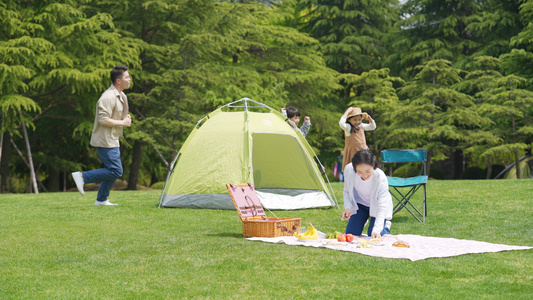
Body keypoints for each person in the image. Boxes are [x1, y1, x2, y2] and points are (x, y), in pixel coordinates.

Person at [71, 65, 132, 206]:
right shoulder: (107, 97)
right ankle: (82, 176)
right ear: (118, 80)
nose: (129, 80)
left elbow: (115, 116)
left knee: (112, 170)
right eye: (127, 77)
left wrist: (124, 119)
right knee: (116, 171)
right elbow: (103, 120)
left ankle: (101, 199)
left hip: (113, 138)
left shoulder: (122, 96)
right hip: (104, 140)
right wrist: (123, 122)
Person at [341, 150, 392, 238]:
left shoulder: (380, 177)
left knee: (373, 234)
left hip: (377, 207)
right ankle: (363, 220)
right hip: (360, 204)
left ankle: (386, 225)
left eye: (368, 171)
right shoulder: (349, 170)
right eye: (359, 172)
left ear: (374, 166)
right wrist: (348, 208)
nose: (364, 175)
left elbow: (382, 206)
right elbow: (346, 191)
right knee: (351, 234)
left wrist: (376, 229)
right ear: (354, 168)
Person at [339, 107, 376, 172]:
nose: (357, 122)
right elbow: (341, 124)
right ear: (349, 120)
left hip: (363, 152)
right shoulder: (348, 128)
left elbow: (373, 127)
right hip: (353, 153)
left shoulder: (361, 126)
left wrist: (370, 120)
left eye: (359, 119)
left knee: (364, 169)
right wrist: (347, 112)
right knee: (353, 170)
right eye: (355, 120)